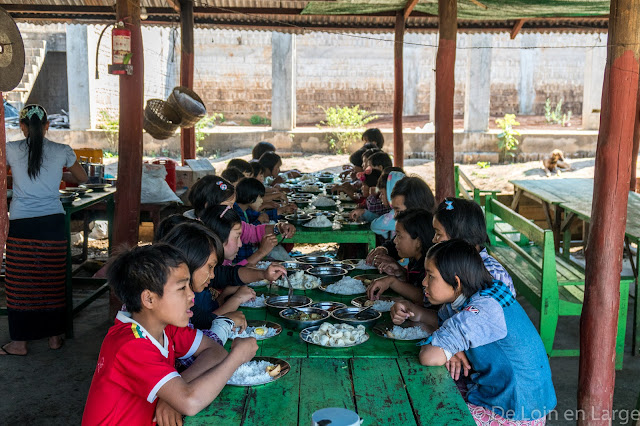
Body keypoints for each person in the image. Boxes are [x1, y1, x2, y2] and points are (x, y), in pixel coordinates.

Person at [82, 244, 258, 425]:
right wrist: (237, 357)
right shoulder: (130, 344)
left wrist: (173, 396)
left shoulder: (166, 327)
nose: (191, 296)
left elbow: (215, 351)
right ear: (149, 299)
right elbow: (191, 402)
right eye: (182, 288)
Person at [390, 240, 556, 425]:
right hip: (508, 395)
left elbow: (430, 357)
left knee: (424, 410)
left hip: (516, 410)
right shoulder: (478, 293)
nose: (424, 282)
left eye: (430, 276)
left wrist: (446, 346)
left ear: (457, 282)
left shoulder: (482, 310)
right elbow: (440, 321)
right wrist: (412, 310)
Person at [1, 104, 88, 356]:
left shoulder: (10, 149)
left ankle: (19, 343)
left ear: (23, 127)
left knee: (21, 284)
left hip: (22, 224)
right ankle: (54, 337)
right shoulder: (62, 150)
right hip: (52, 223)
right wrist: (57, 174)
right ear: (47, 126)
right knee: (51, 280)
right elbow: (82, 178)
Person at [432, 197, 515, 296]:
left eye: (438, 234)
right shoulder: (459, 265)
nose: (434, 240)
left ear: (459, 237)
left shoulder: (489, 274)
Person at [367, 209, 435, 304]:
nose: (395, 241)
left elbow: (425, 298)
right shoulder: (415, 259)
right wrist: (401, 272)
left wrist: (392, 282)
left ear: (418, 242)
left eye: (399, 236)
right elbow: (413, 284)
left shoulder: (430, 265)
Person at [200, 204, 277, 267]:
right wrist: (261, 252)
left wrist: (278, 227)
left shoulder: (222, 258)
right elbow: (229, 277)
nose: (240, 244)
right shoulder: (205, 264)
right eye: (237, 237)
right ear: (218, 237)